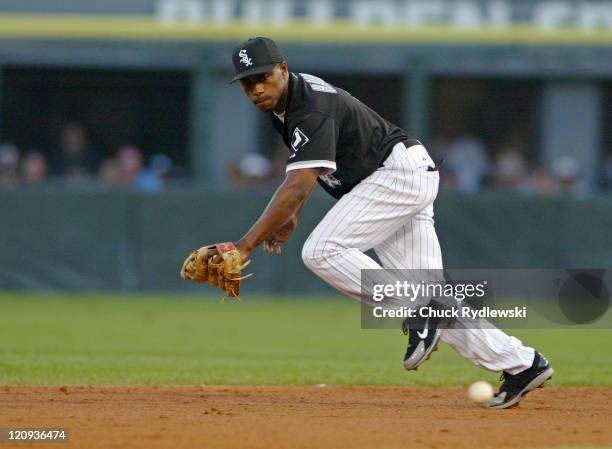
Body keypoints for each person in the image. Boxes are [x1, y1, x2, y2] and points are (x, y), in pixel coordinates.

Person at [226, 37, 553, 408]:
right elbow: (311, 167)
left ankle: (421, 311)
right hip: (397, 176)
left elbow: (298, 183)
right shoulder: (286, 104)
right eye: (248, 83)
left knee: (322, 251)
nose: (256, 88)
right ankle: (522, 364)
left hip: (393, 176)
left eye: (263, 77)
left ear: (282, 69)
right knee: (436, 298)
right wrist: (292, 216)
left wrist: (244, 246)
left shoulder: (309, 106)